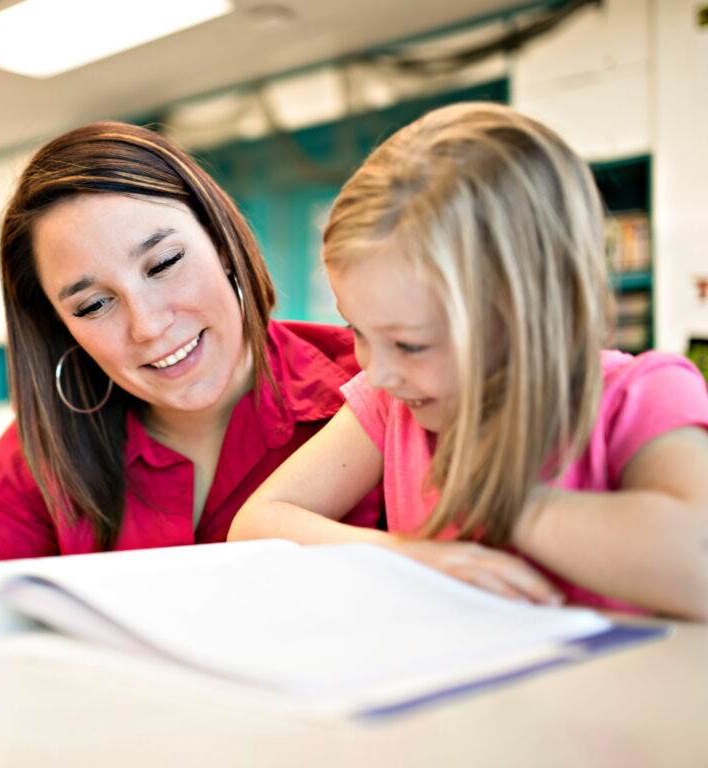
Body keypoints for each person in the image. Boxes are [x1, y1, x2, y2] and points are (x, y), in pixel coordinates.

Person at [228, 102, 708, 620]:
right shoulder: (391, 402)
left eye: (411, 344)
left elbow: (696, 565)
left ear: (526, 310)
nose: (379, 370)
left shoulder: (644, 393)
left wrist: (505, 505)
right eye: (358, 332)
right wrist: (408, 557)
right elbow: (258, 522)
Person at [0, 121, 382, 563]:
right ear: (59, 326)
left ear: (221, 243)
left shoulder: (385, 386)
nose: (148, 326)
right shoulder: (30, 464)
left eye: (164, 263)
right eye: (94, 305)